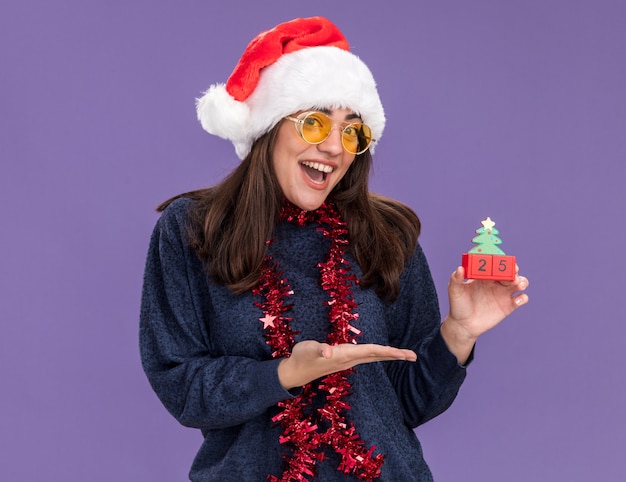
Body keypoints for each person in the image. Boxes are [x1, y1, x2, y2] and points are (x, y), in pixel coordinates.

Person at [139, 16, 529, 482]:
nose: (332, 146)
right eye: (313, 122)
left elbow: (407, 401)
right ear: (269, 129)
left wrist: (458, 335)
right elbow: (182, 386)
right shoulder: (193, 229)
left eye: (351, 131)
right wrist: (284, 374)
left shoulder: (387, 234)